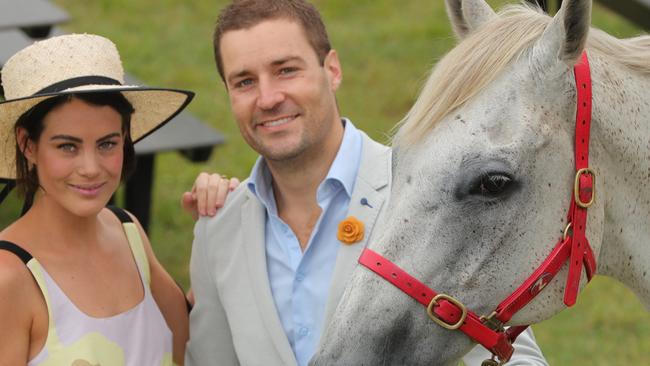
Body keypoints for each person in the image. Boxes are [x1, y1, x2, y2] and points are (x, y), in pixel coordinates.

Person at [184, 1, 548, 365]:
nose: (268, 98)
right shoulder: (218, 228)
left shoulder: (431, 193)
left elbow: (513, 358)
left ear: (332, 70)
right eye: (245, 81)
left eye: (286, 70)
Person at [0, 34, 193, 365]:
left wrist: (219, 228)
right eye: (67, 146)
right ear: (27, 145)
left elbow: (192, 344)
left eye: (107, 144)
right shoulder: (9, 277)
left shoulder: (128, 231)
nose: (91, 169)